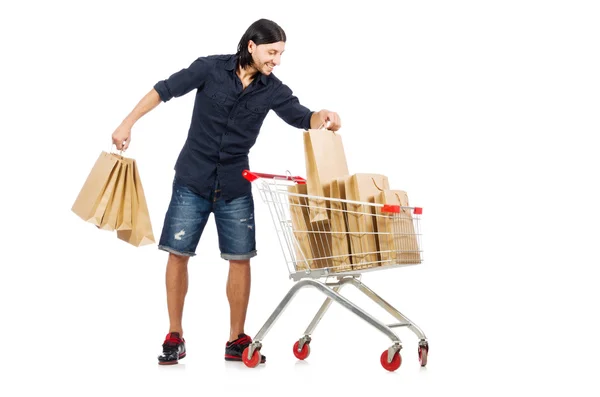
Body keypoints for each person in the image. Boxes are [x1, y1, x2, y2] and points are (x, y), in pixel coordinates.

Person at [111, 18, 342, 365]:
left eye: (281, 53)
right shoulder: (210, 68)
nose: (276, 60)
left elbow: (301, 117)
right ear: (251, 45)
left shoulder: (273, 90)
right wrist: (127, 123)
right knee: (178, 252)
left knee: (240, 258)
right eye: (272, 52)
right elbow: (164, 89)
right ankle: (175, 334)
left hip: (235, 184)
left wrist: (323, 116)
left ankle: (236, 338)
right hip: (192, 178)